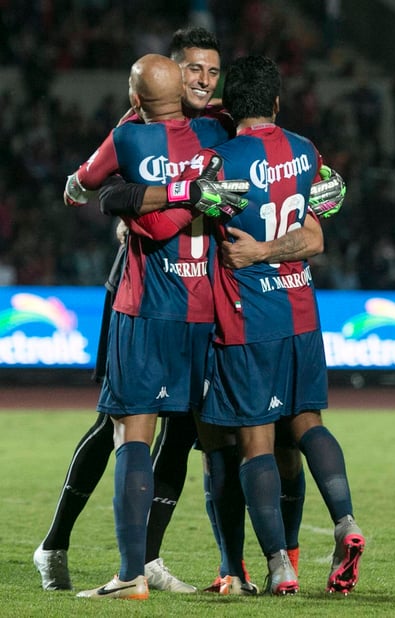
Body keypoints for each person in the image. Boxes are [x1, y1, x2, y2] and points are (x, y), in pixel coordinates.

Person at [33, 27, 233, 595]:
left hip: (201, 301)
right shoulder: (134, 129)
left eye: (211, 72)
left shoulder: (222, 125)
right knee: (113, 425)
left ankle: (146, 560)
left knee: (181, 431)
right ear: (170, 73)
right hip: (139, 293)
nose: (202, 80)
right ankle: (56, 541)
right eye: (192, 69)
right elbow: (97, 185)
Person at [179, 54, 365, 596]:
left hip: (246, 315)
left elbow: (189, 210)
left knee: (254, 440)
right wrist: (272, 249)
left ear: (230, 107)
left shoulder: (220, 159)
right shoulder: (307, 154)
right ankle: (346, 522)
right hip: (301, 310)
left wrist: (252, 250)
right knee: (308, 423)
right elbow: (317, 234)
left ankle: (280, 566)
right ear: (279, 103)